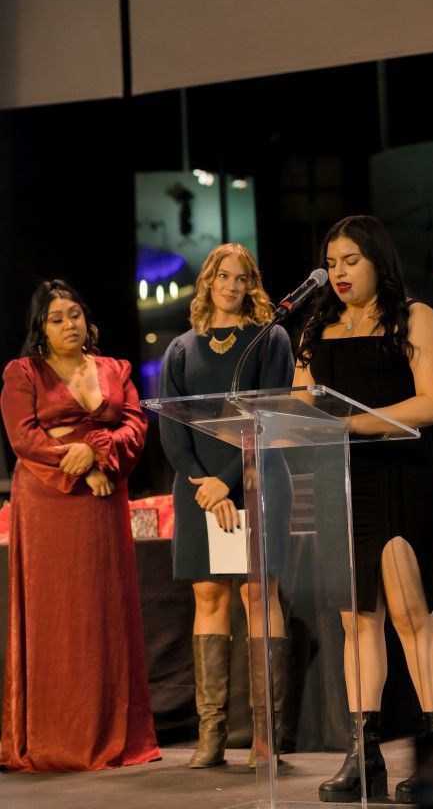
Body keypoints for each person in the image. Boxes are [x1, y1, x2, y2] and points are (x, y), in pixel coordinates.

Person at [294, 214, 433, 804]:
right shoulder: (317, 328)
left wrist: (352, 424)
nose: (338, 272)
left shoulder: (415, 317)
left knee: (410, 613)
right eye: (330, 263)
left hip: (398, 473)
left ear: (378, 260)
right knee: (356, 620)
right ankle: (365, 758)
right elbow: (299, 403)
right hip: (341, 479)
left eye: (350, 261)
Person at [0, 279, 160, 772]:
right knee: (58, 615)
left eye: (74, 315)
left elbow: (136, 424)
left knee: (103, 610)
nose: (68, 324)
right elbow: (23, 438)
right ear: (41, 328)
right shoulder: (24, 372)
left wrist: (98, 453)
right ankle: (58, 736)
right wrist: (79, 462)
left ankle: (111, 731)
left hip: (104, 499)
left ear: (87, 320)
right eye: (56, 318)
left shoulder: (116, 369)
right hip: (50, 501)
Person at [158, 243, 294, 769]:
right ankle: (211, 735)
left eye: (241, 278)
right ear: (208, 282)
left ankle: (266, 737)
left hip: (257, 479)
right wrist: (204, 483)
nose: (231, 286)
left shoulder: (270, 339)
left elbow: (272, 416)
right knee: (209, 594)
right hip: (198, 489)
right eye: (222, 276)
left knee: (259, 593)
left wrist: (228, 481)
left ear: (251, 285)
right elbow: (172, 428)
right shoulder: (180, 349)